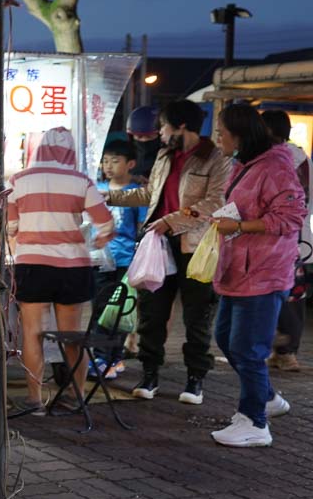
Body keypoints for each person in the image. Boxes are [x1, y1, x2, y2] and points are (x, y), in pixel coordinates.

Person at [106, 99, 230, 405]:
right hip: (158, 244)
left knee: (197, 315)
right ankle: (150, 374)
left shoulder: (214, 158)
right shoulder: (165, 155)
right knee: (151, 311)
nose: (160, 132)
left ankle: (195, 378)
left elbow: (215, 201)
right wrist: (106, 197)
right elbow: (149, 195)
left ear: (181, 126)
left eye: (163, 126)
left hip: (194, 245)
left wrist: (169, 221)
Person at [207, 103, 305, 447]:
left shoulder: (276, 168)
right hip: (239, 269)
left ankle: (255, 423)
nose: (217, 138)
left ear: (239, 134)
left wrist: (240, 225)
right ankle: (267, 399)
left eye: (221, 132)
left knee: (248, 348)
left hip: (263, 272)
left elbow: (292, 217)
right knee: (227, 339)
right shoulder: (245, 164)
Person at [6, 127, 114, 414]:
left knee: (32, 333)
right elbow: (105, 224)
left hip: (32, 265)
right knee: (72, 336)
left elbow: (11, 227)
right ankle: (75, 396)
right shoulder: (81, 181)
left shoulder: (19, 180)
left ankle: (34, 399)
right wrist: (100, 237)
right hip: (72, 268)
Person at [91, 137, 147, 378]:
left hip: (124, 261)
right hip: (99, 259)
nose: (109, 166)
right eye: (105, 161)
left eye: (115, 161)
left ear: (130, 164)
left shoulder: (136, 194)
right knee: (99, 309)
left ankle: (110, 359)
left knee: (118, 310)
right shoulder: (95, 191)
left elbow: (142, 226)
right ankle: (102, 356)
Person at [261, 109, 311, 371]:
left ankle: (287, 350)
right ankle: (282, 350)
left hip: (289, 238)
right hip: (290, 238)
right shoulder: (296, 156)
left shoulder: (288, 158)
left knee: (291, 294)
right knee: (289, 293)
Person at [126, 105, 162, 183]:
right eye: (139, 137)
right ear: (132, 137)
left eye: (150, 137)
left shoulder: (168, 158)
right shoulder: (125, 156)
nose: (144, 140)